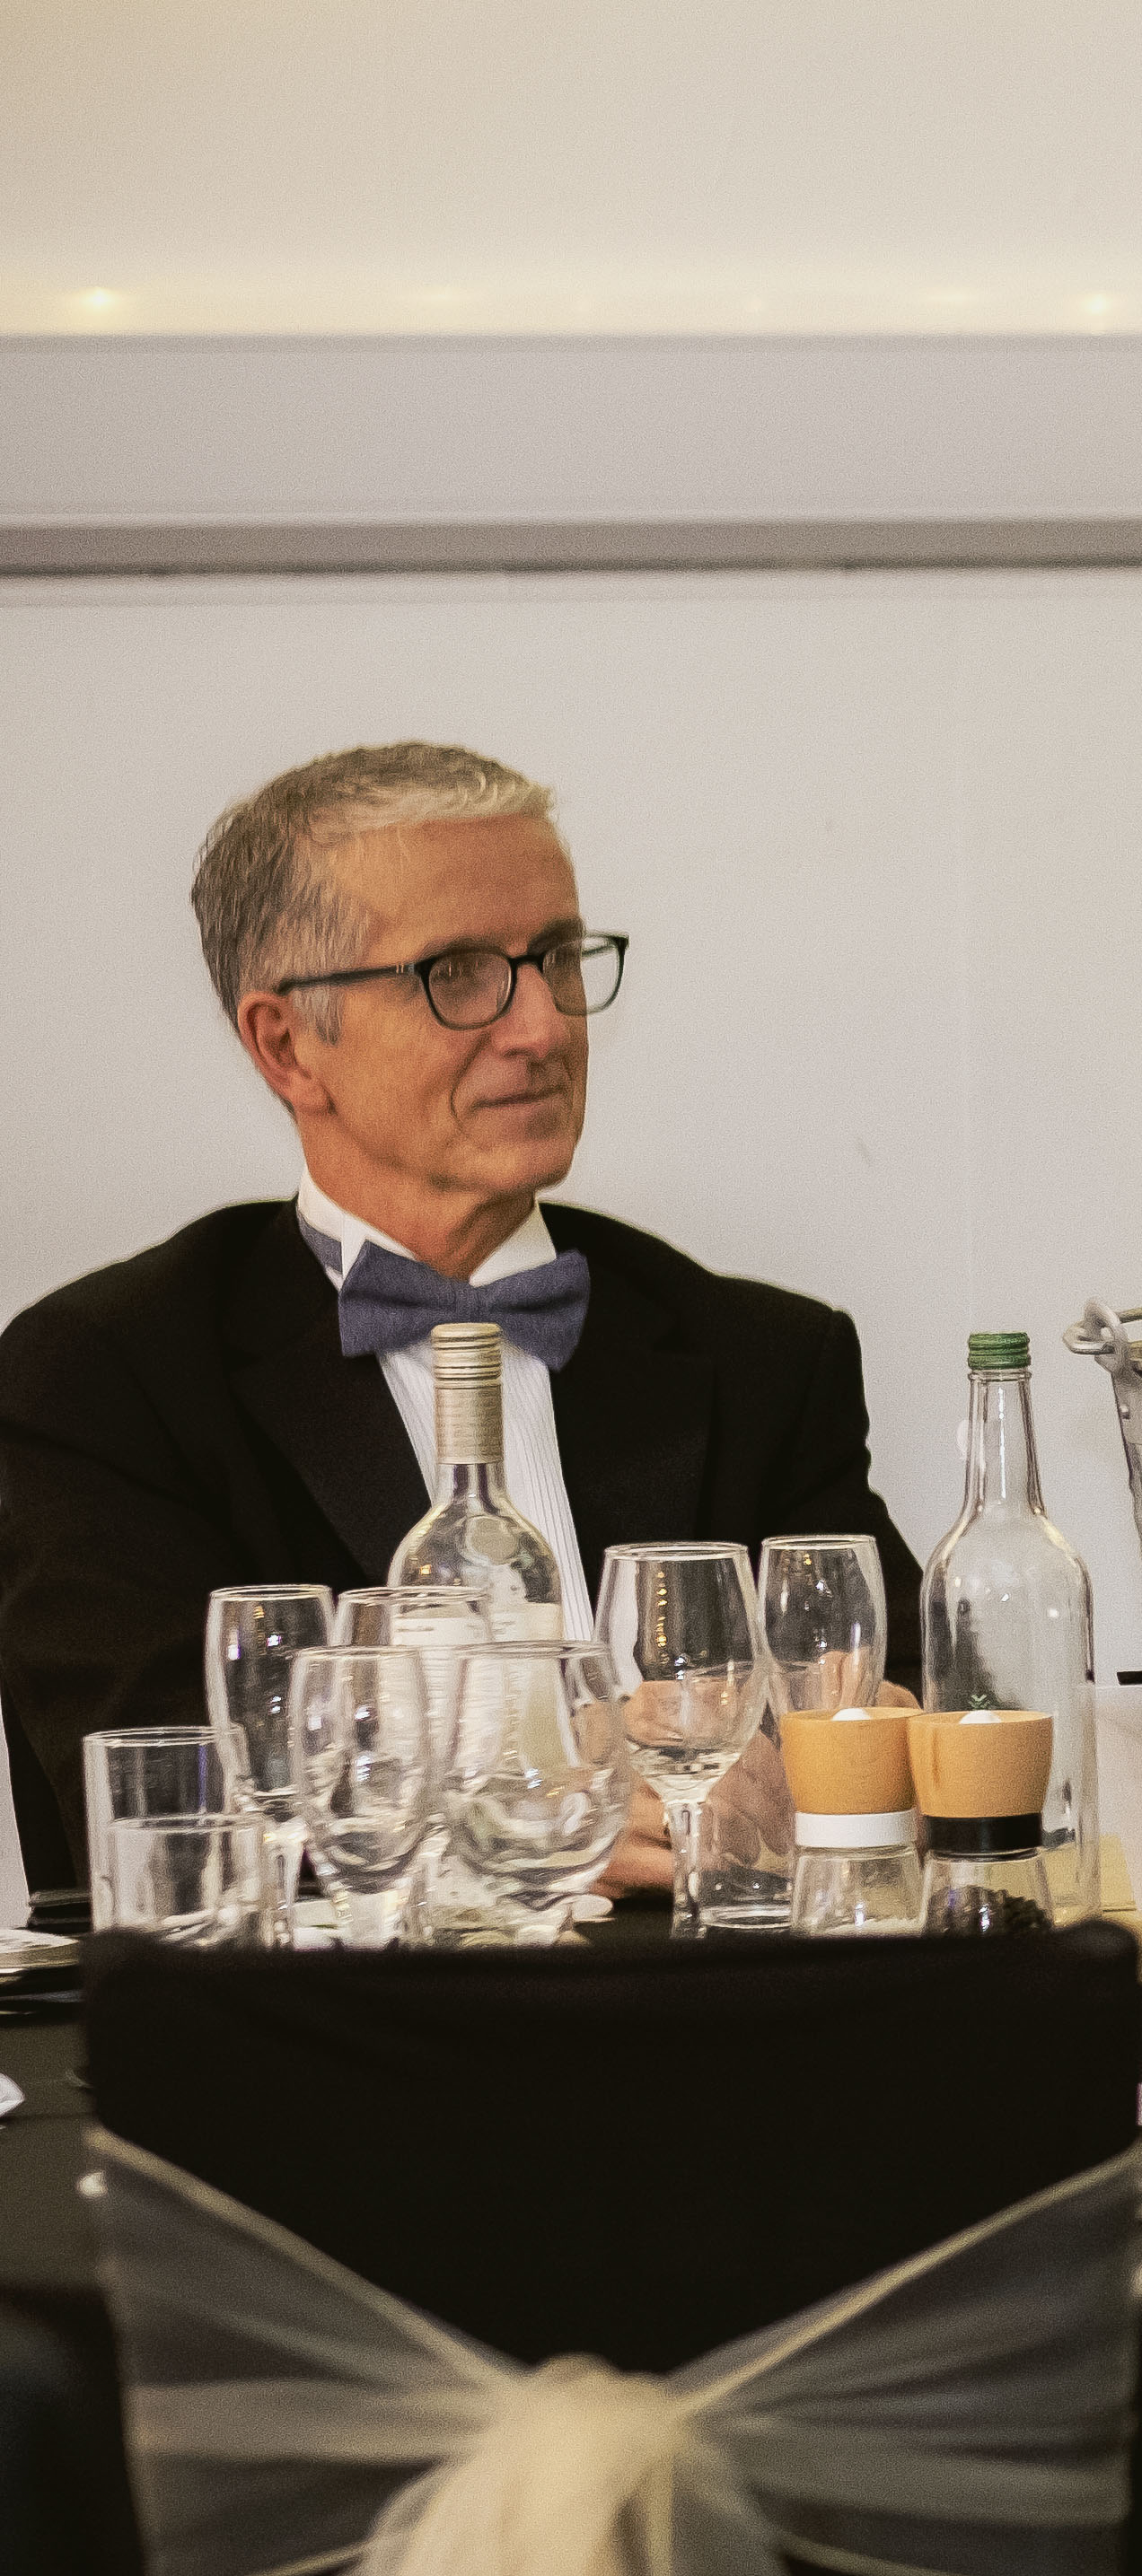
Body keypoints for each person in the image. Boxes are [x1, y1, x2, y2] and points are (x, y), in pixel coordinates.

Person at [0, 743, 914, 1895]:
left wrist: (830, 1749)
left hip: (711, 1993)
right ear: (287, 1045)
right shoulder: (107, 1376)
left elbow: (898, 1705)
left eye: (558, 957)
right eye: (459, 975)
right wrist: (530, 1806)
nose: (544, 1026)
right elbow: (157, 1810)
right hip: (339, 2010)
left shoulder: (761, 1358)